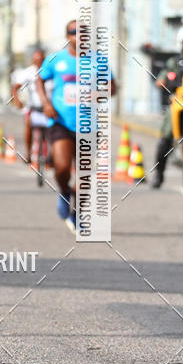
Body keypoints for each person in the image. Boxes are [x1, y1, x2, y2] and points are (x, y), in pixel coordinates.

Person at [37, 19, 116, 232]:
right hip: (61, 122)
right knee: (62, 168)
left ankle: (77, 214)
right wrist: (45, 103)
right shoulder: (56, 59)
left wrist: (98, 93)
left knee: (84, 174)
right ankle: (64, 192)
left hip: (88, 125)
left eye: (83, 32)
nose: (78, 36)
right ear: (67, 36)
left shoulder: (98, 60)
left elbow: (112, 86)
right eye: (73, 32)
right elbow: (39, 79)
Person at [151, 26, 183, 188]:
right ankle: (159, 174)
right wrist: (169, 81)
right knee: (165, 139)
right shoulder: (174, 62)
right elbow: (160, 80)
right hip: (178, 103)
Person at [11, 47, 46, 164]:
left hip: (48, 107)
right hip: (33, 107)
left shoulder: (49, 70)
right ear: (32, 60)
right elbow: (15, 87)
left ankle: (52, 153)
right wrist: (17, 100)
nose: (39, 62)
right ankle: (28, 152)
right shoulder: (28, 72)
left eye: (41, 60)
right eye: (36, 60)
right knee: (27, 124)